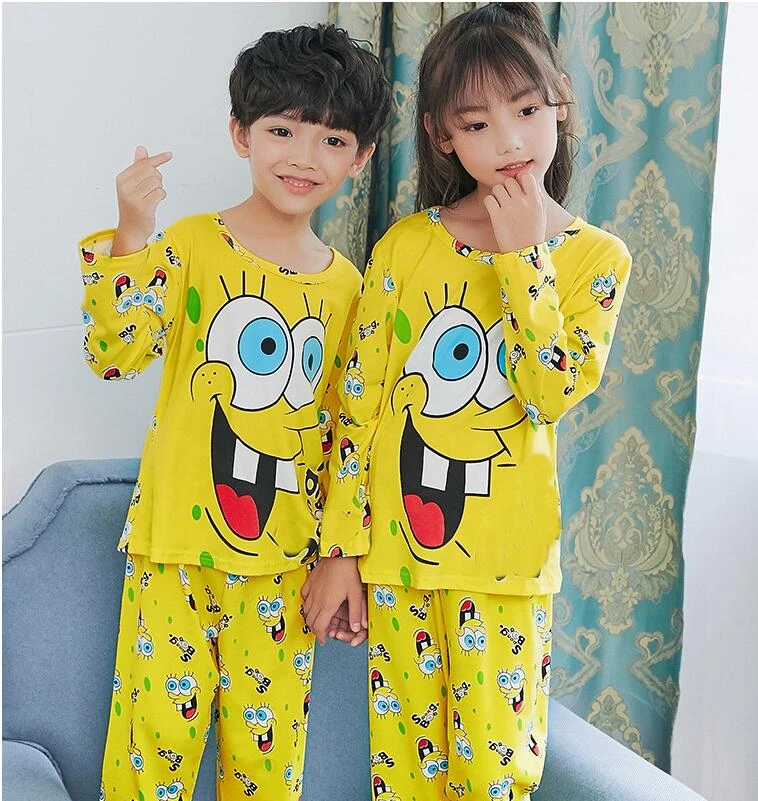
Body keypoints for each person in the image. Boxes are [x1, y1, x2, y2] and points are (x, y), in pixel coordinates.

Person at [301, 4, 632, 799]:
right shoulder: (407, 247)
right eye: (478, 124)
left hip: (505, 573)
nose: (509, 141)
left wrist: (523, 261)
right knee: (404, 777)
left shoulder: (594, 260)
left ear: (559, 102)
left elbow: (549, 390)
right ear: (442, 136)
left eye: (525, 111)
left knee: (492, 776)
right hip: (399, 563)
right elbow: (358, 408)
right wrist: (339, 550)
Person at [79, 23, 390, 801]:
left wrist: (340, 555)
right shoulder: (191, 246)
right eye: (282, 130)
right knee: (151, 751)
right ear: (240, 133)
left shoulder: (351, 290)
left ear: (359, 159)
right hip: (174, 554)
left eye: (331, 139)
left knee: (266, 770)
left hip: (284, 567)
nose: (302, 156)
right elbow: (114, 354)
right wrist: (132, 231)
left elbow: (350, 435)